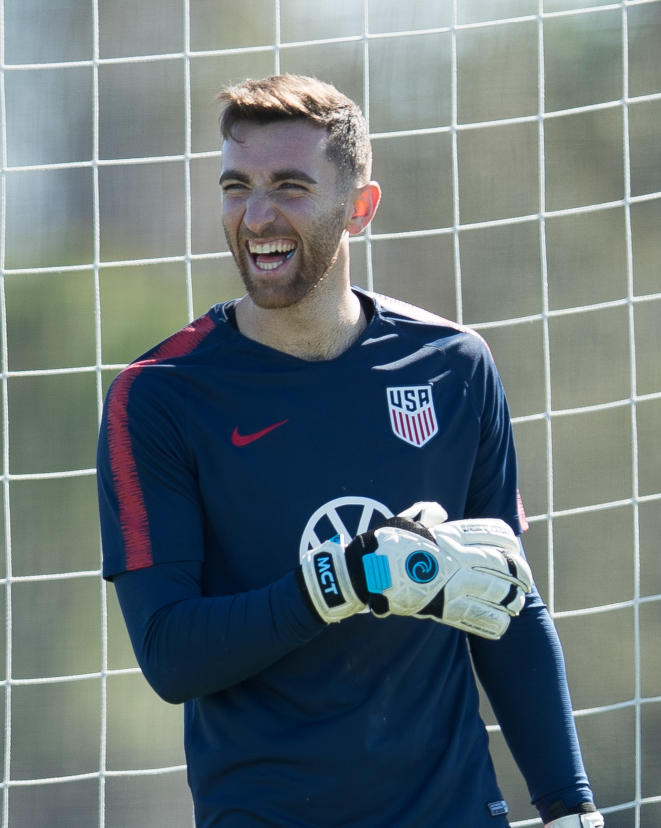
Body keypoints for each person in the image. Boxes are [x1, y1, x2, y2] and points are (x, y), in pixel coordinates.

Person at [96, 73, 604, 828]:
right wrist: (341, 581)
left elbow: (504, 602)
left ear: (360, 207)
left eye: (290, 187)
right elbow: (171, 654)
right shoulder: (159, 396)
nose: (257, 215)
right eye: (237, 187)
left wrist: (572, 808)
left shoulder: (455, 366)